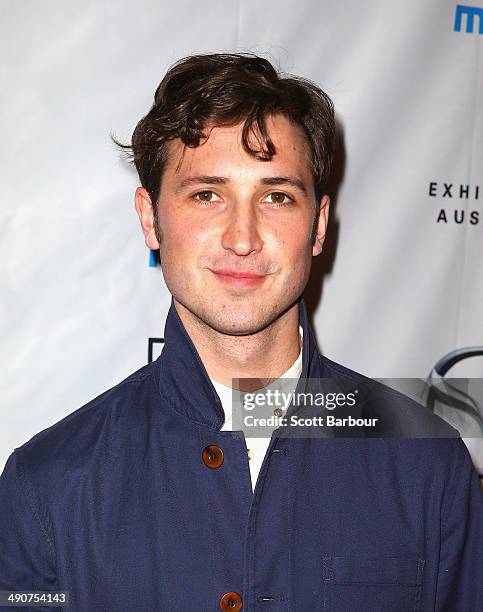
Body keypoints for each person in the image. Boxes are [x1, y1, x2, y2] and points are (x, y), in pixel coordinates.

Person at [0, 53, 481, 611]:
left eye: (276, 196)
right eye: (207, 194)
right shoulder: (47, 487)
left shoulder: (427, 466)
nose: (243, 237)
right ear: (150, 218)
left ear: (318, 225)